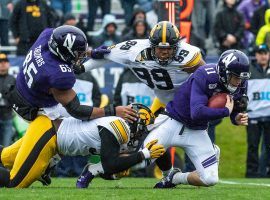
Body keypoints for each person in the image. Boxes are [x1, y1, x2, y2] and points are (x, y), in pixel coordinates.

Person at [78, 21, 206, 181]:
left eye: (168, 49)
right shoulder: (135, 50)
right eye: (160, 48)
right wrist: (82, 68)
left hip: (184, 101)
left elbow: (206, 75)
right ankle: (167, 174)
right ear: (151, 46)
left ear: (177, 46)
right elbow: (104, 55)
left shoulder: (188, 55)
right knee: (149, 137)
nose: (164, 53)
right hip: (162, 99)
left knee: (163, 137)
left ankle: (189, 165)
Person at [148, 49, 250, 188]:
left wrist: (236, 117)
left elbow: (233, 105)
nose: (239, 82)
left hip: (197, 130)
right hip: (173, 121)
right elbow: (196, 112)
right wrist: (225, 112)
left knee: (210, 179)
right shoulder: (205, 75)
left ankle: (176, 178)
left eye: (241, 78)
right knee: (143, 157)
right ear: (224, 72)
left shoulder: (241, 82)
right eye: (235, 77)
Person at [0, 104, 165, 188]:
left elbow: (107, 169)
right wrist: (143, 155)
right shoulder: (119, 127)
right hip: (49, 136)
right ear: (134, 122)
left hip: (49, 134)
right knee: (16, 183)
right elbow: (109, 164)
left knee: (5, 157)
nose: (140, 134)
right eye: (142, 128)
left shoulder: (117, 128)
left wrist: (116, 171)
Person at [246, 44, 270, 178]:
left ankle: (267, 172)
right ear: (256, 55)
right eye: (260, 53)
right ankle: (251, 173)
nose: (263, 56)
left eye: (265, 53)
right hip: (253, 115)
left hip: (269, 115)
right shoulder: (249, 71)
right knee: (253, 147)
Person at [0, 53, 16, 146]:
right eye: (0, 62)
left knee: (6, 147)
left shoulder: (12, 79)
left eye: (5, 61)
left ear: (8, 64)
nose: (2, 64)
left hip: (7, 116)